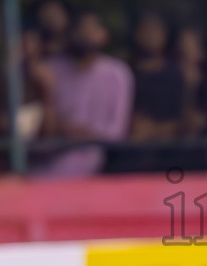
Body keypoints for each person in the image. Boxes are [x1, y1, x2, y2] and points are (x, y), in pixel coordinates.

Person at [44, 10, 133, 177]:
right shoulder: (52, 69)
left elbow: (117, 132)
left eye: (90, 29)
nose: (84, 35)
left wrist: (83, 134)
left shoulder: (117, 73)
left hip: (101, 159)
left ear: (104, 35)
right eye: (80, 29)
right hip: (53, 157)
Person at [130, 12, 186, 141]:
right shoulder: (125, 72)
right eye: (146, 29)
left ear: (164, 36)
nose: (150, 35)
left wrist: (153, 130)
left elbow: (184, 121)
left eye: (155, 30)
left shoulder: (175, 75)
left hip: (165, 151)